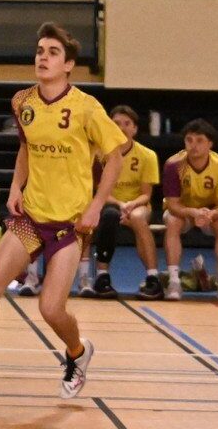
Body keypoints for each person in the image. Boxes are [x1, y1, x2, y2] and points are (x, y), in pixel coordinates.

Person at [0, 24, 125, 403]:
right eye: (40, 50)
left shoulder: (87, 108)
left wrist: (96, 205)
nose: (43, 57)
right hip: (31, 218)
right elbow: (26, 147)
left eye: (53, 52)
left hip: (70, 224)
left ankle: (78, 352)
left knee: (51, 308)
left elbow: (116, 157)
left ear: (68, 65)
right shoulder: (23, 101)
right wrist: (16, 186)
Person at [84, 105, 160, 299]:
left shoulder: (147, 155)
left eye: (127, 123)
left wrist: (131, 205)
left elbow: (146, 194)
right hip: (108, 203)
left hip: (137, 204)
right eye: (117, 123)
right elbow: (98, 191)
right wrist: (120, 204)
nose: (122, 128)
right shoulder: (99, 154)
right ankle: (102, 276)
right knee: (109, 215)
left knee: (137, 217)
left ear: (135, 128)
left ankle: (153, 278)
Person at [161, 119, 218, 301]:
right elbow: (173, 205)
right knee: (173, 221)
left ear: (210, 143)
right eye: (189, 140)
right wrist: (192, 212)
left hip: (209, 212)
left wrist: (209, 214)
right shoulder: (174, 165)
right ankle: (174, 282)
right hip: (183, 211)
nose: (193, 145)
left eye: (199, 140)